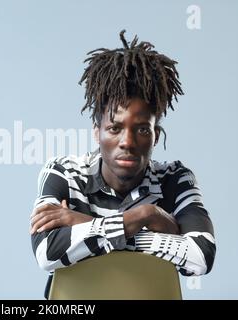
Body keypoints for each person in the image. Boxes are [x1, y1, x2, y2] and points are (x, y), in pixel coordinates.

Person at [29, 30, 216, 299]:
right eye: (115, 128)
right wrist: (144, 217)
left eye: (141, 129)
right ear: (97, 131)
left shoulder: (175, 178)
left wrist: (87, 224)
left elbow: (200, 257)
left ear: (156, 136)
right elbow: (47, 253)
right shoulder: (64, 173)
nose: (127, 141)